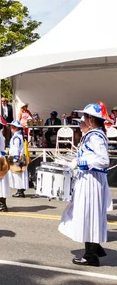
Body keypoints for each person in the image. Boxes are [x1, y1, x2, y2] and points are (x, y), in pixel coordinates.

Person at [59, 103, 113, 267]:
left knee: (88, 214)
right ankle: (94, 248)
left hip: (92, 180)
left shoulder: (96, 136)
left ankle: (91, 255)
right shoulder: (92, 135)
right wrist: (74, 161)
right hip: (88, 178)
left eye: (85, 117)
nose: (82, 121)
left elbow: (104, 161)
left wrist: (80, 163)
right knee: (85, 214)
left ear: (91, 119)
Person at [8, 120, 28, 198]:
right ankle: (21, 189)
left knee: (17, 174)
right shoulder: (19, 136)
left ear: (15, 128)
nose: (11, 128)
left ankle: (20, 190)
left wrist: (15, 158)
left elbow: (16, 148)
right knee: (20, 174)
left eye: (12, 127)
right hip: (21, 156)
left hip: (17, 157)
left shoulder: (16, 137)